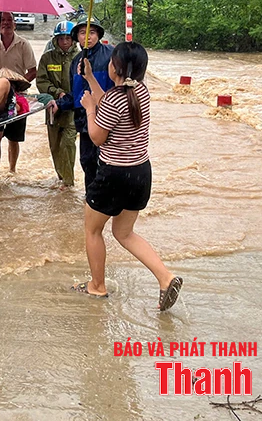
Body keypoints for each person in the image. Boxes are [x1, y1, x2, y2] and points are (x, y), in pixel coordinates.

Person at [72, 41, 183, 310]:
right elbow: (109, 104)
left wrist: (88, 107)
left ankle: (97, 286)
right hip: (140, 173)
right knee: (124, 232)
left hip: (114, 175)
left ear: (115, 67)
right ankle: (165, 278)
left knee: (92, 230)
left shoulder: (114, 99)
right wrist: (89, 77)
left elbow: (97, 137)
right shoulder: (141, 92)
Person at [0, 11, 37, 178]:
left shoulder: (23, 44)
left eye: (9, 20)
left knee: (14, 138)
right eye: (2, 20)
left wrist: (18, 84)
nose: (6, 23)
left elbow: (33, 71)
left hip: (18, 95)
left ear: (15, 24)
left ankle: (12, 171)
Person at [59, 17, 114, 191]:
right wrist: (58, 104)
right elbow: (75, 96)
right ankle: (91, 199)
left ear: (98, 34)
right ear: (77, 37)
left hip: (107, 121)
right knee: (87, 161)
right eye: (83, 33)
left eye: (91, 32)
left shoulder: (111, 55)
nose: (87, 37)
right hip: (84, 123)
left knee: (106, 163)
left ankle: (107, 199)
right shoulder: (75, 62)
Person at [37, 21, 79, 189]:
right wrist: (56, 92)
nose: (65, 42)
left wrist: (69, 97)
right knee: (55, 145)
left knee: (67, 144)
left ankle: (69, 183)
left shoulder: (80, 58)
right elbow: (41, 81)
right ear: (55, 40)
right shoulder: (47, 58)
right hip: (53, 108)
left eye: (68, 38)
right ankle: (61, 177)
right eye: (61, 38)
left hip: (72, 109)